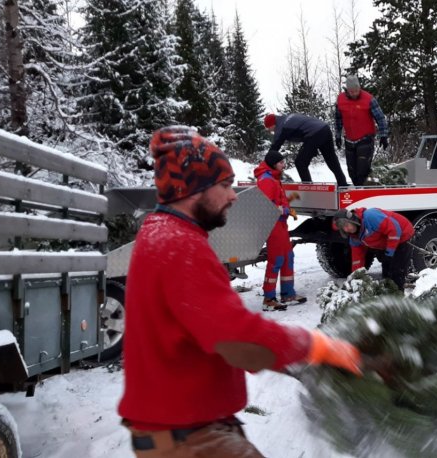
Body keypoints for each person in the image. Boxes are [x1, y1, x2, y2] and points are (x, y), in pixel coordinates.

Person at [119, 126, 361, 458]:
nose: (234, 196)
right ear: (192, 190)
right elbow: (235, 336)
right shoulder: (180, 247)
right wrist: (314, 347)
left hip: (183, 428)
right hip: (187, 438)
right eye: (224, 186)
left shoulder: (159, 233)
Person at [253, 151, 306, 311]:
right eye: (281, 162)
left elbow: (277, 201)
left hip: (281, 225)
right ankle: (268, 299)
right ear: (273, 163)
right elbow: (265, 206)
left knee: (288, 257)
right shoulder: (267, 180)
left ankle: (288, 294)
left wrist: (288, 206)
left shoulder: (273, 178)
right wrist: (285, 211)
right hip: (273, 226)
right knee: (276, 260)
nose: (284, 165)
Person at [332, 207, 414, 290]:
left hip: (402, 235)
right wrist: (356, 277)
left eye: (346, 225)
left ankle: (397, 297)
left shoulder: (371, 217)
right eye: (343, 228)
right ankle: (388, 294)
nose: (346, 229)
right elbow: (357, 259)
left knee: (397, 271)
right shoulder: (354, 237)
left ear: (352, 219)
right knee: (386, 271)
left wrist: (389, 253)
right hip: (385, 241)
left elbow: (394, 229)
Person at [263, 112, 349, 187]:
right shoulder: (286, 118)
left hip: (314, 134)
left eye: (269, 129)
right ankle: (343, 184)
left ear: (272, 125)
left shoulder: (281, 126)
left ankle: (308, 188)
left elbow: (274, 149)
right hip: (324, 129)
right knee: (331, 159)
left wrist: (264, 165)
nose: (271, 131)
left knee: (300, 162)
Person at [333, 75, 389, 186]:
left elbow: (380, 117)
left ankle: (363, 194)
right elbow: (338, 119)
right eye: (351, 91)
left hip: (365, 138)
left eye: (356, 91)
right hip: (349, 140)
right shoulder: (340, 100)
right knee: (352, 171)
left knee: (362, 170)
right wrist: (338, 136)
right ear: (347, 90)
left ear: (359, 88)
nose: (354, 93)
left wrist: (384, 135)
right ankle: (359, 191)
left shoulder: (368, 99)